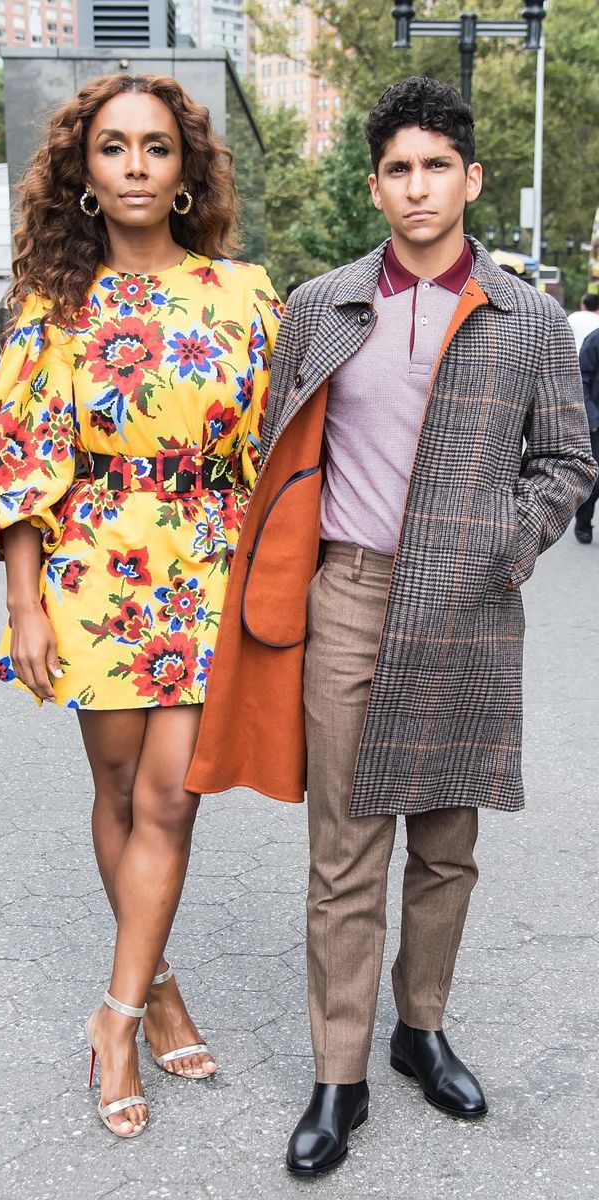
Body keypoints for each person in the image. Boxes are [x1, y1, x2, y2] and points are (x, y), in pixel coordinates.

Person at [185, 76, 597, 1175]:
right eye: (397, 170)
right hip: (351, 598)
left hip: (468, 604)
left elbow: (566, 462)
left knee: (447, 847)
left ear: (470, 180)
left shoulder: (531, 320)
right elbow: (276, 448)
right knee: (344, 851)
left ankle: (420, 1029)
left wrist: (503, 548)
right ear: (377, 187)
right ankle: (340, 1074)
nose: (417, 187)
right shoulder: (321, 304)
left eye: (436, 167)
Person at [0, 71, 279, 1139]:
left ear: (187, 169)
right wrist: (24, 605)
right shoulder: (55, 305)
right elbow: (19, 463)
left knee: (172, 795)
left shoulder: (246, 294)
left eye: (157, 147)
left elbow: (277, 451)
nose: (137, 165)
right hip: (95, 567)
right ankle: (160, 991)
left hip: (205, 563)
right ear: (85, 173)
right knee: (117, 788)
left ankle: (114, 1016)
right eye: (115, 148)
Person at [575, 325, 599, 541]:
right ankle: (583, 521)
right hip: (597, 424)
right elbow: (581, 379)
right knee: (595, 481)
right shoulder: (595, 340)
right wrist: (593, 418)